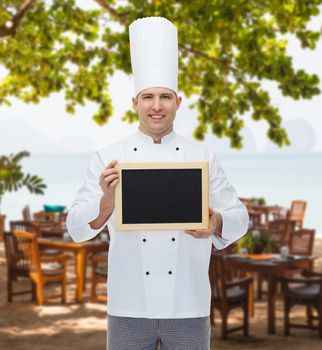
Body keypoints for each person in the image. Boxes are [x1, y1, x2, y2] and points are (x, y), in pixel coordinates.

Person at [67, 17, 248, 350]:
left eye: (165, 96)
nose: (156, 106)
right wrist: (106, 204)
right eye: (148, 96)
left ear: (178, 102)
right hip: (127, 306)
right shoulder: (109, 156)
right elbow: (77, 227)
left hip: (189, 306)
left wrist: (216, 220)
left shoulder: (203, 156)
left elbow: (240, 216)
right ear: (135, 102)